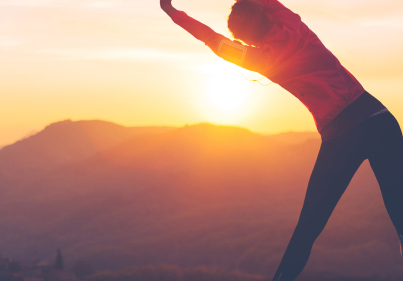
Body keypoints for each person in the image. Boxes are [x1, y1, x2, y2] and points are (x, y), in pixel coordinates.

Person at [160, 0, 403, 280]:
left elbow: (211, 40)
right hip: (380, 118)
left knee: (307, 229)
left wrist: (172, 12)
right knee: (400, 215)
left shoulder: (259, 59)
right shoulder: (292, 23)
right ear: (265, 12)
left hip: (342, 135)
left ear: (243, 39)